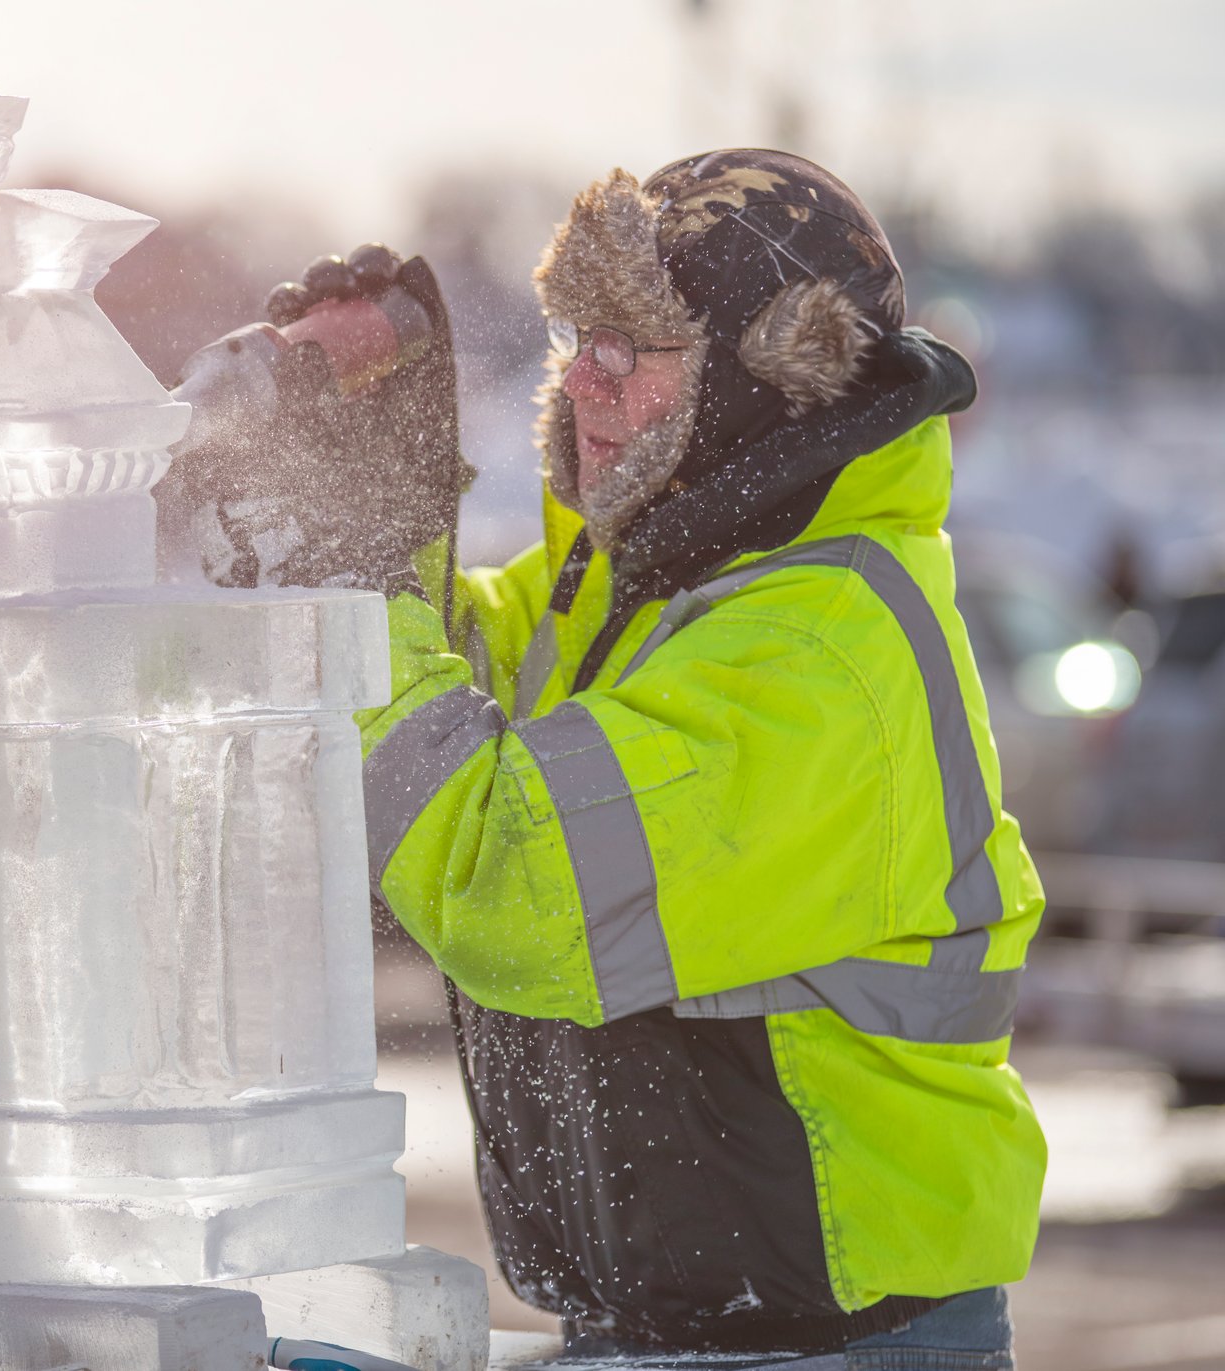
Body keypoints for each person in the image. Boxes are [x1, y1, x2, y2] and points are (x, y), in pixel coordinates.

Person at [167, 149, 1046, 1369]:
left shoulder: (816, 653)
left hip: (829, 1346)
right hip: (675, 1334)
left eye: (634, 350)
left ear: (766, 376)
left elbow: (512, 884)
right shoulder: (647, 592)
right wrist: (385, 505)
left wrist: (349, 596)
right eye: (579, 335)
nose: (584, 379)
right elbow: (448, 682)